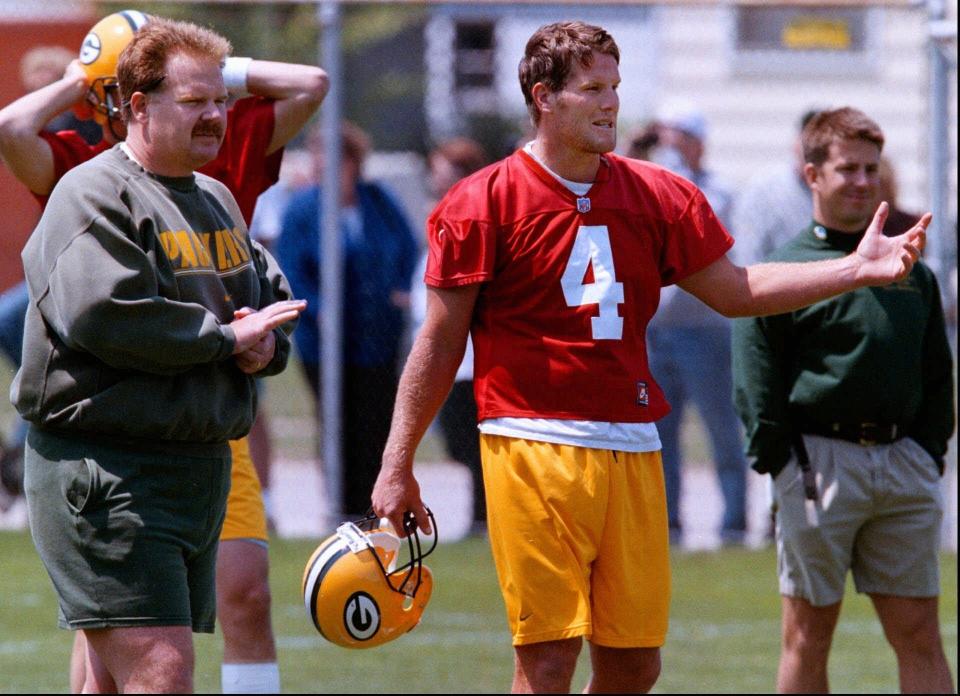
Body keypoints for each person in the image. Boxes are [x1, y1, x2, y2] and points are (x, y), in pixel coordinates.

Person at [369, 21, 928, 694]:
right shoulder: (481, 201)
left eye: (615, 87)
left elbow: (736, 289)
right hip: (531, 441)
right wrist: (396, 464)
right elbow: (438, 341)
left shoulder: (660, 195)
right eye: (592, 89)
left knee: (635, 665)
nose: (610, 104)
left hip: (633, 444)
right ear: (544, 98)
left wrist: (853, 270)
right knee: (547, 658)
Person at [0, 11, 327, 694]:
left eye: (219, 101)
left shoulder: (213, 196)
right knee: (161, 670)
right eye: (195, 101)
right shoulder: (90, 190)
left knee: (114, 681)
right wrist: (223, 339)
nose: (215, 115)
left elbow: (265, 292)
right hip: (112, 469)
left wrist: (263, 344)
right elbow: (106, 315)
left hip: (192, 464)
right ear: (139, 107)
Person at [732, 107, 954, 694]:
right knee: (807, 637)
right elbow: (755, 375)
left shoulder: (911, 269)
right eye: (847, 168)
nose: (861, 181)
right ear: (812, 175)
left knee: (921, 637)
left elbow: (938, 371)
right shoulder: (784, 268)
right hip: (816, 464)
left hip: (904, 465)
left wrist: (928, 452)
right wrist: (780, 458)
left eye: (871, 169)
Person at [277, 121, 417, 518]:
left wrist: (399, 291)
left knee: (376, 425)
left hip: (377, 339)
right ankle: (342, 507)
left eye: (333, 157)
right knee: (339, 424)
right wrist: (323, 315)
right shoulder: (303, 209)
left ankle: (375, 507)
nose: (323, 165)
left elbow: (406, 246)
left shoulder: (377, 200)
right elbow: (292, 272)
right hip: (325, 344)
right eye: (318, 156)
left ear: (354, 162)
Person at [633, 105, 748, 546]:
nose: (670, 143)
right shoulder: (646, 181)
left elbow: (699, 225)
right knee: (660, 435)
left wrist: (673, 166)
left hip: (705, 329)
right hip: (654, 330)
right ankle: (668, 523)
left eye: (679, 135)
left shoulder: (716, 189)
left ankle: (734, 522)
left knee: (721, 427)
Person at [410, 137, 489, 534]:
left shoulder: (472, 217)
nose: (437, 178)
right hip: (437, 352)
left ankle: (482, 517)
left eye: (446, 171)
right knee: (458, 443)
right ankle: (482, 513)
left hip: (469, 358)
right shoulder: (437, 215)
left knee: (471, 444)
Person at [729, 109, 819, 267]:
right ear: (796, 144)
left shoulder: (843, 192)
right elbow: (748, 254)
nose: (814, 150)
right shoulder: (763, 190)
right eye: (808, 140)